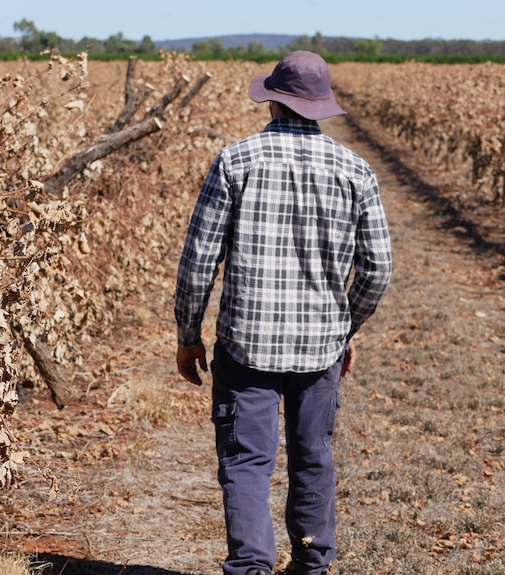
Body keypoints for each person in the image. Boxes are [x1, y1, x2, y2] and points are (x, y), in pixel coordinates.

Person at [174, 51, 392, 575]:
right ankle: (312, 564)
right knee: (312, 456)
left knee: (247, 463)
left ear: (273, 101)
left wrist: (189, 333)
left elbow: (199, 260)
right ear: (319, 108)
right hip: (320, 348)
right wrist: (346, 327)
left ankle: (250, 567)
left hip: (246, 344)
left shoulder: (235, 161)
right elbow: (378, 268)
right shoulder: (355, 170)